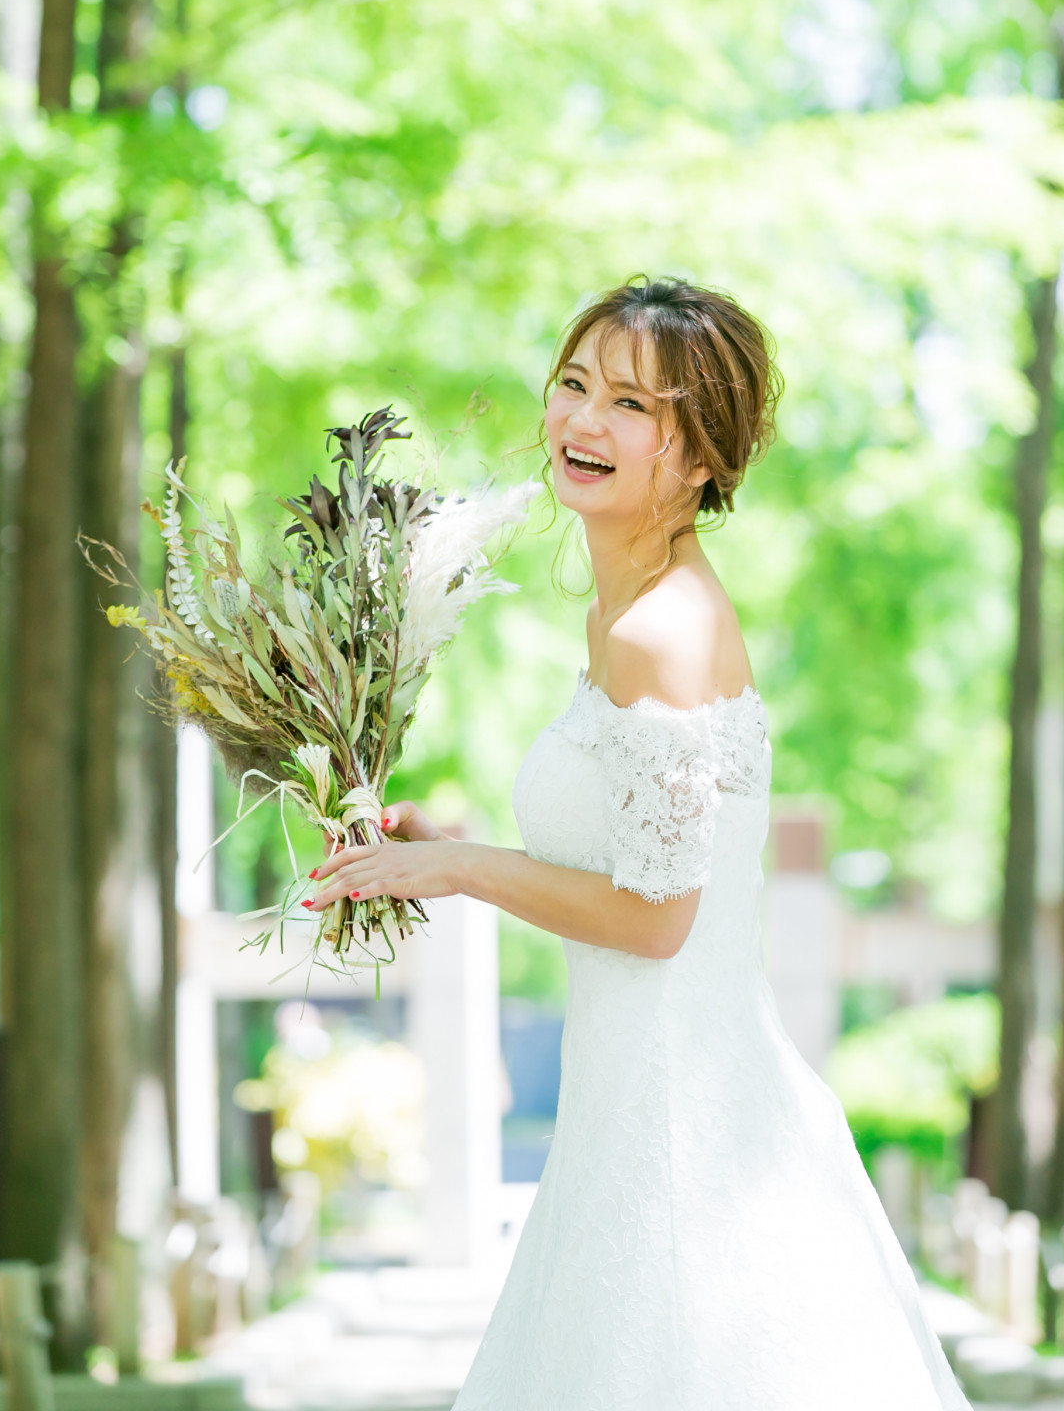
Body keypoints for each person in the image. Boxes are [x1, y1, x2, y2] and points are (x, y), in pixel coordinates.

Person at [308, 275, 970, 1410]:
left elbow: (660, 919)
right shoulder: (621, 609)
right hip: (629, 1100)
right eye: (573, 384)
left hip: (681, 1131)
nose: (581, 420)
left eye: (629, 404)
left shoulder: (664, 631)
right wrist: (445, 838)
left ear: (701, 454)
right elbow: (629, 855)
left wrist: (458, 870)